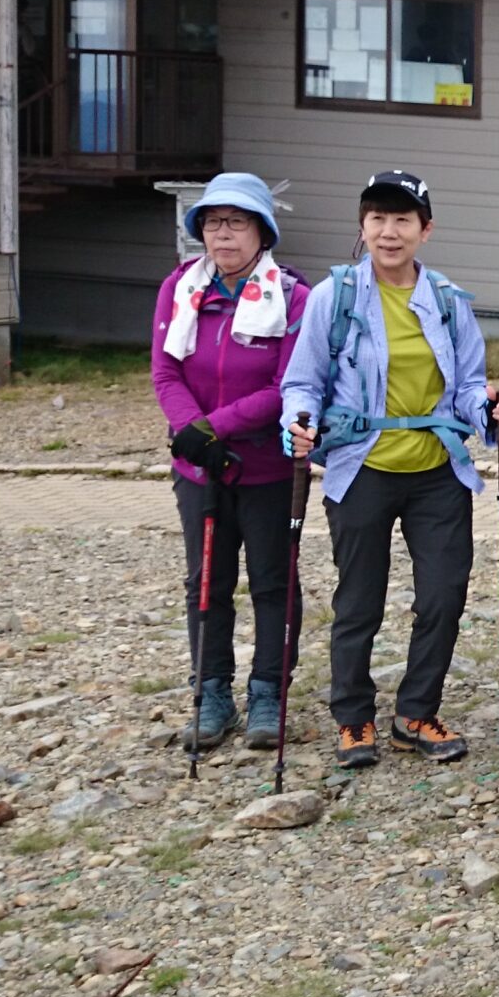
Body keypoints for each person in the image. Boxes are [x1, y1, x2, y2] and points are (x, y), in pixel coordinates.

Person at [282, 172, 499, 768]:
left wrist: (486, 410)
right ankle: (353, 718)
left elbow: (467, 386)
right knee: (359, 599)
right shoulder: (334, 297)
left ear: (425, 230)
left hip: (437, 470)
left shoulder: (447, 301)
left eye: (403, 220)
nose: (389, 231)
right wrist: (298, 423)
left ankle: (416, 713)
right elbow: (302, 382)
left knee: (443, 595)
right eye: (378, 219)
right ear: (362, 227)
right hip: (361, 467)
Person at [151, 172, 312, 754]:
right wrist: (193, 434)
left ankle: (269, 691)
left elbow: (287, 384)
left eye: (237, 222)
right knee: (206, 580)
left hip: (266, 466)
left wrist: (213, 427)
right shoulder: (180, 289)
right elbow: (165, 371)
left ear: (261, 231)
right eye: (213, 223)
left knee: (272, 581)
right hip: (199, 468)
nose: (223, 234)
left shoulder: (293, 296)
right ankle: (211, 690)